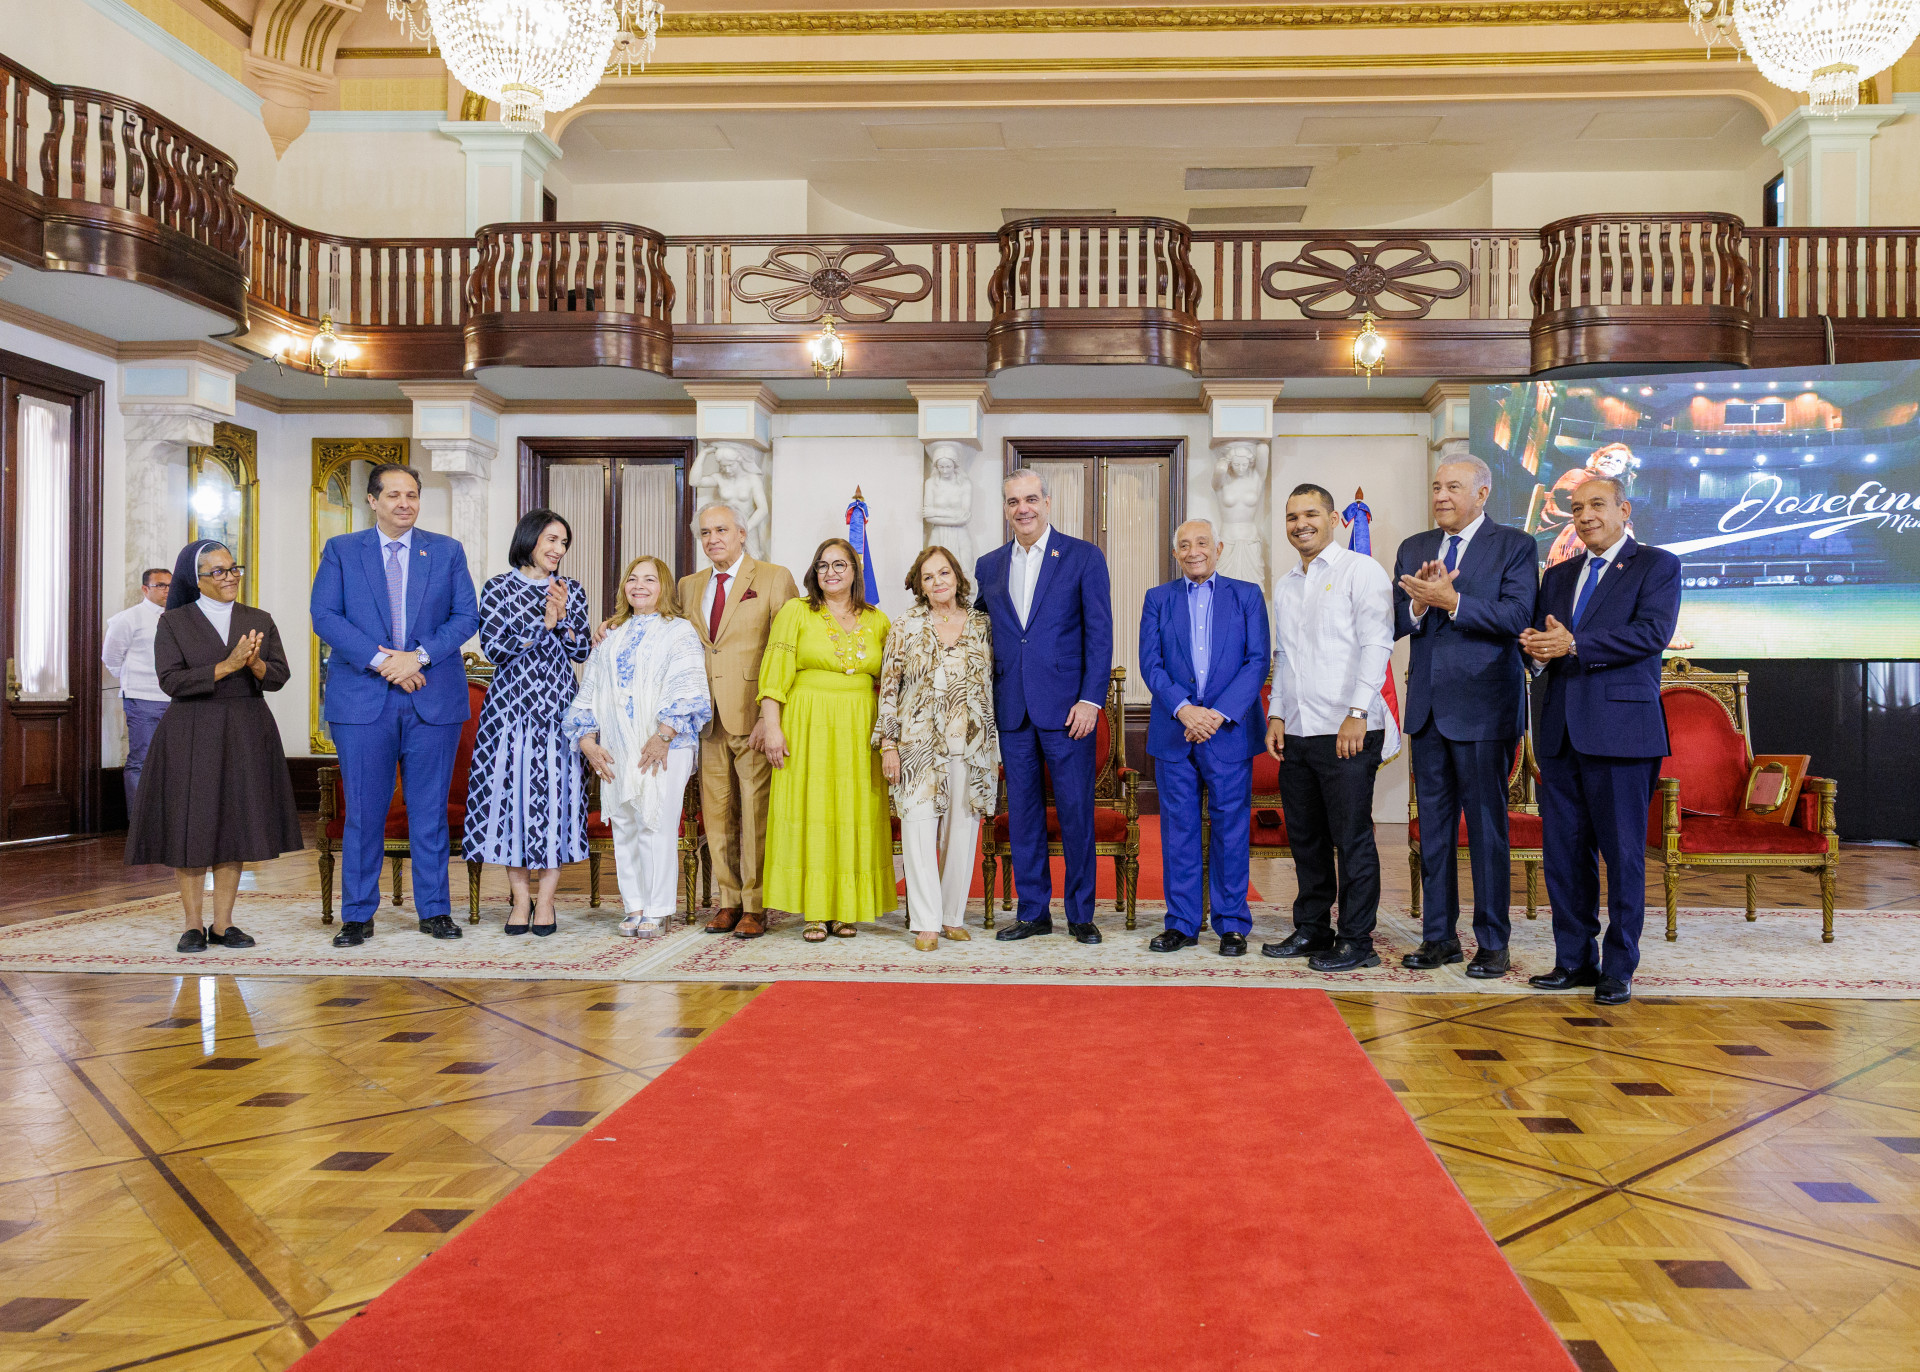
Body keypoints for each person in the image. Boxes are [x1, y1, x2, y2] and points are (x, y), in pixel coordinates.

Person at [1521, 477, 1680, 1006]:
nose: (1584, 515)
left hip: (1622, 734)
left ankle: (1619, 967)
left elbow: (1652, 634)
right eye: (1576, 508)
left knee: (1623, 856)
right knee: (1565, 856)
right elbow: (1544, 643)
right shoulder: (1558, 574)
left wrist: (1574, 644)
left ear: (1623, 509)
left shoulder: (1656, 565)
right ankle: (1573, 960)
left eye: (1596, 504)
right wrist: (1536, 651)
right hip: (1560, 733)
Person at [310, 463, 480, 949]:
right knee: (364, 812)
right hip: (363, 700)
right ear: (372, 500)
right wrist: (385, 661)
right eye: (394, 495)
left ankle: (435, 910)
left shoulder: (446, 551)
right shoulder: (342, 550)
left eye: (412, 495)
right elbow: (325, 615)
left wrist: (417, 657)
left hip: (432, 698)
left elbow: (465, 616)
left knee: (429, 811)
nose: (404, 503)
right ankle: (357, 915)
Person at [1393, 456, 1539, 979]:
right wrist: (1419, 606)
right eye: (1436, 486)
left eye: (1453, 487)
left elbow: (1518, 616)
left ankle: (1493, 943)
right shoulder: (1414, 547)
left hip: (1484, 710)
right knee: (1434, 833)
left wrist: (1452, 600)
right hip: (1428, 711)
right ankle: (1439, 938)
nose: (1440, 495)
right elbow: (1394, 619)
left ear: (1482, 493)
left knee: (1485, 831)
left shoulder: (1515, 545)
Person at [126, 541, 301, 952]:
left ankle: (223, 924)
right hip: (191, 730)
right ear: (197, 579)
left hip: (246, 727)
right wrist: (228, 666)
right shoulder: (175, 622)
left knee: (234, 823)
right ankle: (192, 925)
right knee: (192, 824)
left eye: (233, 568)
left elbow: (279, 676)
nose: (230, 577)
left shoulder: (258, 619)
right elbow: (171, 680)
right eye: (218, 571)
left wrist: (255, 664)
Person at [1261, 483, 1397, 973]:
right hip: (1299, 730)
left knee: (1351, 838)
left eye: (1311, 514)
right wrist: (1277, 713)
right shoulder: (1286, 584)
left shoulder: (1361, 570)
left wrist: (1357, 712)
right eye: (1292, 516)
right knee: (1307, 838)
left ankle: (1357, 940)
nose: (1301, 524)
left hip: (1349, 729)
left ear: (1334, 519)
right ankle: (1313, 928)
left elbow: (1377, 644)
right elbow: (1284, 656)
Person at [974, 468, 1113, 945]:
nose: (1023, 508)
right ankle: (1033, 912)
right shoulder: (989, 565)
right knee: (1024, 815)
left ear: (1047, 503)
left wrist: (1091, 699)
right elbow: (980, 630)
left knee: (1076, 813)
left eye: (1031, 499)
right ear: (1005, 508)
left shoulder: (1083, 556)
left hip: (1070, 711)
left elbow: (1100, 633)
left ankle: (1080, 913)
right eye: (1014, 501)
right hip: (1012, 709)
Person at [1140, 520, 1270, 956]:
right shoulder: (1158, 598)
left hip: (1228, 731)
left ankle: (1231, 924)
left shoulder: (1246, 595)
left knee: (1231, 830)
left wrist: (1215, 714)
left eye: (1201, 543)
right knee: (1178, 831)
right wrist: (1184, 709)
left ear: (1218, 548)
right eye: (1184, 545)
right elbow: (1150, 663)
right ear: (1175, 553)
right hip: (1175, 731)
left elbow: (1257, 661)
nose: (1193, 551)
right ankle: (1181, 923)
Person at [567, 555, 712, 938]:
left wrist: (663, 735)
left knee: (656, 822)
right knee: (625, 824)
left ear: (664, 587)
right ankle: (634, 905)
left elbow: (689, 687)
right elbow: (591, 688)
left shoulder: (679, 631)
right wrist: (587, 739)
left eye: (649, 579)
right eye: (633, 579)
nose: (639, 586)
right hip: (618, 744)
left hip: (667, 743)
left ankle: (659, 908)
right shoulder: (611, 635)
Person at [758, 538, 895, 939]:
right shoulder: (796, 612)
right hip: (807, 722)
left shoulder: (879, 620)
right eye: (823, 565)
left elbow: (892, 683)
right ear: (814, 572)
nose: (830, 572)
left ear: (855, 571)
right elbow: (773, 676)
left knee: (854, 812)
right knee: (812, 811)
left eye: (839, 565)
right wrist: (772, 727)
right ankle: (815, 910)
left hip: (860, 727)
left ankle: (845, 908)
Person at [464, 510, 592, 935]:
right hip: (509, 713)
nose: (558, 549)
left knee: (555, 803)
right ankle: (520, 901)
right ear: (530, 539)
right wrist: (544, 624)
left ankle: (547, 903)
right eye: (552, 539)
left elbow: (580, 651)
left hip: (558, 712)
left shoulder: (571, 588)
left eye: (564, 542)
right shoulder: (498, 588)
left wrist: (565, 618)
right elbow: (495, 649)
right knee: (510, 805)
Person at [677, 503, 798, 939]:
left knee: (755, 814)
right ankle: (727, 900)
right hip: (707, 719)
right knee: (717, 816)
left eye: (721, 530)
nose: (713, 539)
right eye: (705, 533)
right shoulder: (689, 585)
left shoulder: (774, 577)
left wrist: (771, 715)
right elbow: (664, 627)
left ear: (742, 534)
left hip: (754, 716)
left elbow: (788, 648)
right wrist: (612, 624)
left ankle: (755, 904)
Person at [875, 546, 997, 952]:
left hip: (972, 746)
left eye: (943, 573)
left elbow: (994, 685)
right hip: (917, 745)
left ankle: (951, 917)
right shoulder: (905, 625)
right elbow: (888, 689)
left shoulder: (982, 624)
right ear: (920, 586)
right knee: (918, 828)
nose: (937, 581)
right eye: (928, 577)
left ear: (957, 577)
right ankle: (926, 922)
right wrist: (888, 744)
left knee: (962, 831)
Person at [103, 567, 172, 818]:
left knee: (173, 761)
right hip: (143, 698)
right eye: (160, 585)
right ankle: (140, 823)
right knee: (142, 760)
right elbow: (111, 658)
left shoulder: (178, 617)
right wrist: (133, 680)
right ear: (145, 589)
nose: (167, 590)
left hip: (175, 698)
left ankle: (167, 821)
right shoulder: (129, 618)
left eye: (170, 585)